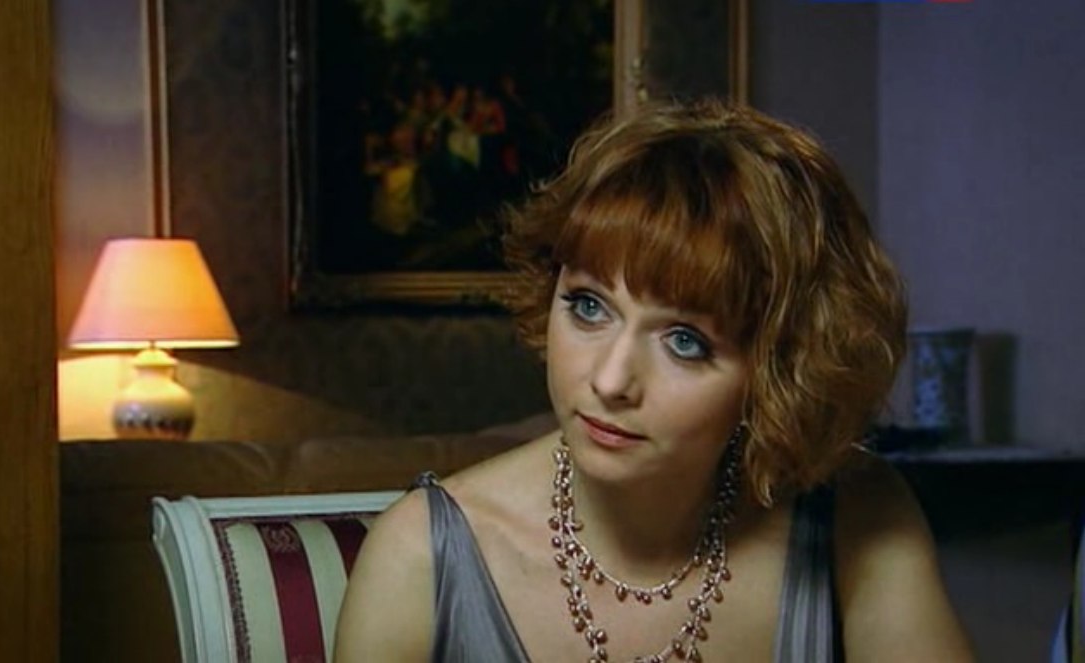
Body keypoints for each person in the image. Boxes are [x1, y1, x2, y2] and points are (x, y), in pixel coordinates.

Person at [334, 99, 975, 662]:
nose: (611, 380)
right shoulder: (419, 559)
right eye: (589, 306)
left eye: (685, 341)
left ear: (780, 367)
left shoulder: (856, 518)